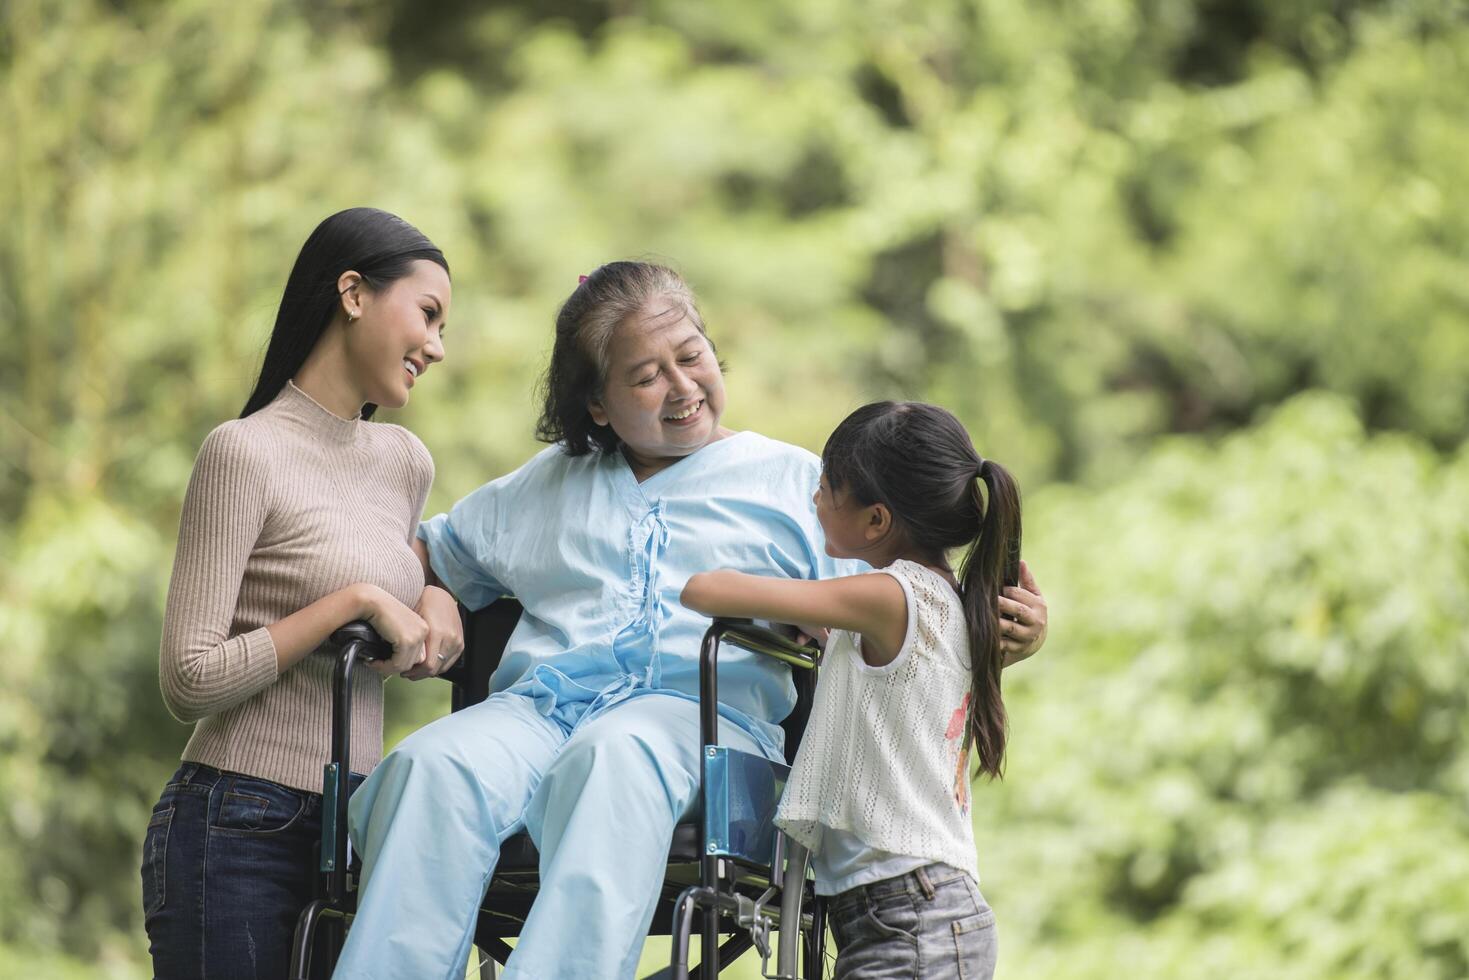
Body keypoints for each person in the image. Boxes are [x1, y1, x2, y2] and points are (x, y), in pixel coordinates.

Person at [334, 262, 1049, 979]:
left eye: (692, 355)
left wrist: (1009, 634)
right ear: (598, 407)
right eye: (645, 376)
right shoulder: (545, 484)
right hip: (538, 713)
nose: (681, 387)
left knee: (615, 754)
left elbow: (912, 621)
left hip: (700, 724)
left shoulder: (803, 487)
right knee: (432, 767)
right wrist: (433, 594)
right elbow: (432, 551)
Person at [141, 208, 465, 980]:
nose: (438, 346)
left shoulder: (405, 462)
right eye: (427, 314)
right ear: (352, 293)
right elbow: (188, 679)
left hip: (356, 824)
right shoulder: (243, 452)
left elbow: (408, 567)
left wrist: (439, 595)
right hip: (235, 826)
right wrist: (351, 601)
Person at [682, 401, 1030, 979]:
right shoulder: (949, 599)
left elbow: (705, 591)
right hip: (921, 909)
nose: (815, 499)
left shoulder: (885, 596)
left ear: (876, 521)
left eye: (826, 486)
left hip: (907, 916)